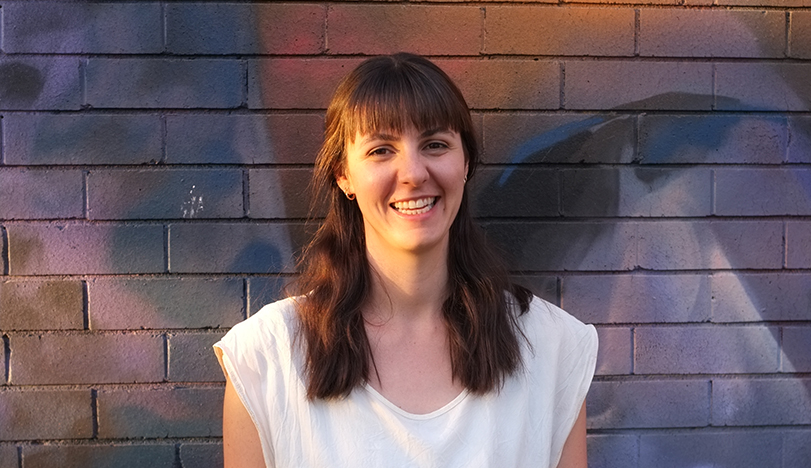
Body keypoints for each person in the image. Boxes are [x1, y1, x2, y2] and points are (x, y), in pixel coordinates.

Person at [214, 53, 598, 468]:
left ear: (465, 162)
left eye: (435, 145)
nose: (413, 172)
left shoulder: (550, 348)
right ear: (344, 175)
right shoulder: (266, 359)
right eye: (381, 150)